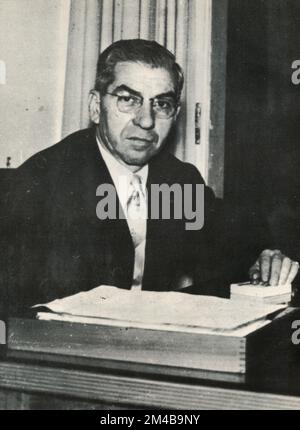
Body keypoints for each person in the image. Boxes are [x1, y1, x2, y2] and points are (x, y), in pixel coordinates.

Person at [3, 39, 298, 315]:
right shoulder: (40, 182)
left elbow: (228, 238)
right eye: (128, 99)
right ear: (96, 106)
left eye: (162, 104)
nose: (146, 120)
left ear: (176, 112)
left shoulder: (176, 180)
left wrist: (263, 254)